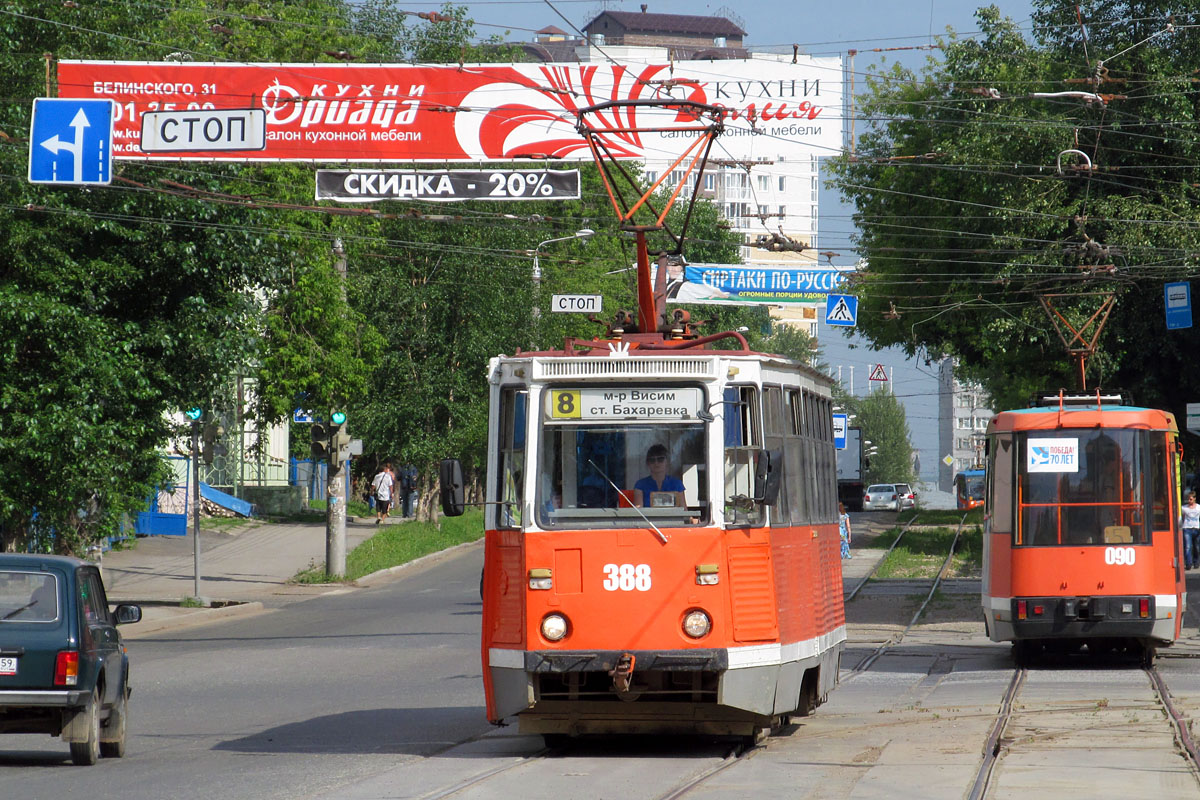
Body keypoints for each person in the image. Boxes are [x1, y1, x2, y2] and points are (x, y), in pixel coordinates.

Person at [631, 444, 686, 508]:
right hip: (648, 518)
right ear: (648, 463)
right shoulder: (640, 485)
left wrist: (691, 518)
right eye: (652, 460)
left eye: (660, 459)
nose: (656, 463)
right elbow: (638, 512)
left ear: (667, 461)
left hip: (672, 518)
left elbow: (684, 511)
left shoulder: (677, 484)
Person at [1183, 492, 1200, 569]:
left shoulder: (1198, 507)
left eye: (1191, 499)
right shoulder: (1184, 508)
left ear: (1194, 499)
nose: (1189, 501)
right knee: (1188, 547)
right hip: (1187, 528)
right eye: (1188, 499)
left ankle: (1196, 562)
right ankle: (1188, 563)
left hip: (1196, 528)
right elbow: (1182, 517)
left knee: (1196, 547)